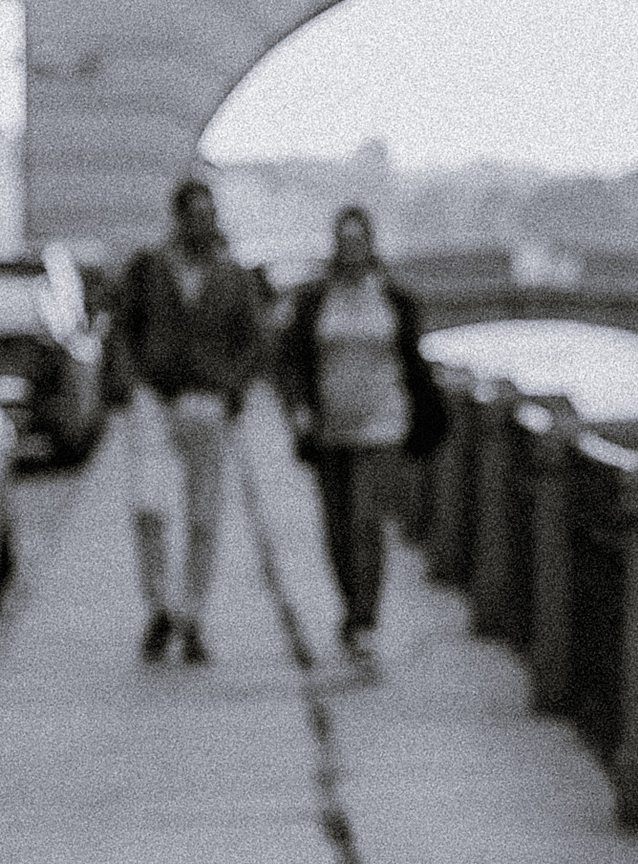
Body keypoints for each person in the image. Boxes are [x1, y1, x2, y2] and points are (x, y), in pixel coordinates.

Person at [104, 176, 266, 665]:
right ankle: (161, 604)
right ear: (179, 218)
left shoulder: (232, 276)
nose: (204, 224)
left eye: (209, 214)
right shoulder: (148, 269)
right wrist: (133, 386)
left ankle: (191, 613)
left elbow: (253, 341)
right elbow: (123, 331)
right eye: (196, 215)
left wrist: (230, 390)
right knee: (150, 508)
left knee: (203, 514)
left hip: (206, 402)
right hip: (153, 400)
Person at [277, 208, 448, 656]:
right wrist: (298, 411)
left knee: (367, 520)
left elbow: (413, 362)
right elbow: (291, 360)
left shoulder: (394, 298)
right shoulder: (315, 298)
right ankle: (351, 602)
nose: (352, 249)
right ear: (335, 243)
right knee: (336, 528)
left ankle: (365, 618)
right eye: (345, 240)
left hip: (384, 425)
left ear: (371, 243)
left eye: (360, 240)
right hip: (330, 428)